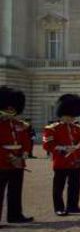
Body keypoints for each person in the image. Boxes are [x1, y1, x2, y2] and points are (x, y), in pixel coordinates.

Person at [43, 94, 80, 216]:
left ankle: (73, 206)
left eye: (72, 116)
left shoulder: (78, 128)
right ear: (62, 115)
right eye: (68, 116)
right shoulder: (52, 129)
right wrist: (65, 148)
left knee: (74, 186)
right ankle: (59, 207)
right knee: (59, 187)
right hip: (61, 161)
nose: (71, 119)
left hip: (75, 161)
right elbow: (48, 145)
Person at [0, 87, 33, 223]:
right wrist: (12, 158)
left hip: (18, 162)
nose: (11, 112)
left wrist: (23, 156)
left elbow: (25, 142)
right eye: (8, 109)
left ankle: (15, 215)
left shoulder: (19, 124)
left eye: (13, 109)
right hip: (2, 162)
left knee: (15, 191)